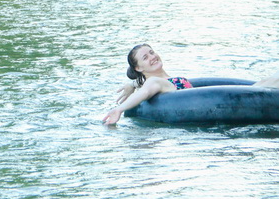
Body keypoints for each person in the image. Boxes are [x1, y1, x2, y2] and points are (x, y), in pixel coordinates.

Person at [102, 44, 279, 124]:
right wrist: (119, 109)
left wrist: (131, 86)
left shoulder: (161, 80)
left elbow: (140, 89)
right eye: (145, 57)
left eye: (152, 52)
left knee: (267, 82)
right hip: (204, 111)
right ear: (139, 68)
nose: (153, 57)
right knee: (271, 82)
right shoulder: (155, 81)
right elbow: (146, 91)